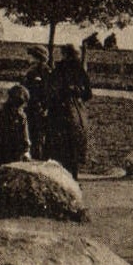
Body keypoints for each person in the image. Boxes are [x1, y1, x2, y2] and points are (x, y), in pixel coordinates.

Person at [45, 44, 93, 179]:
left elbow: (51, 90)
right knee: (74, 146)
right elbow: (88, 94)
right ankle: (73, 177)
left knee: (58, 146)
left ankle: (60, 177)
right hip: (78, 113)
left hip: (61, 111)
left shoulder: (59, 69)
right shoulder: (80, 70)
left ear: (65, 54)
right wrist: (78, 93)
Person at [0, 83, 32, 167]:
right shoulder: (2, 114)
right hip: (3, 151)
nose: (17, 109)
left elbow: (25, 136)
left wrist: (26, 151)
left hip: (17, 153)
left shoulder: (21, 117)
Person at [21, 47, 50, 160]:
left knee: (34, 137)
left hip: (34, 109)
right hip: (39, 109)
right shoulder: (45, 70)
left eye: (31, 55)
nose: (28, 57)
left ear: (37, 57)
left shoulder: (36, 71)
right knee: (38, 138)